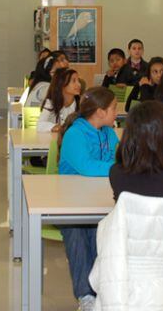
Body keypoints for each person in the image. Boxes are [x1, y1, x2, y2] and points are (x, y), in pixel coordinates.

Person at [57, 86, 119, 311]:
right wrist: (117, 167)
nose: (116, 113)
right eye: (113, 108)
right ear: (100, 112)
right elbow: (87, 167)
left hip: (100, 198)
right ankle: (86, 295)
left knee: (103, 230)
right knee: (76, 230)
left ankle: (101, 290)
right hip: (69, 203)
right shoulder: (75, 133)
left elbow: (120, 155)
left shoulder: (108, 132)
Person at [37, 68, 80, 133]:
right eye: (74, 81)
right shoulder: (51, 103)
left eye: (78, 80)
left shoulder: (82, 104)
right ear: (61, 84)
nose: (79, 84)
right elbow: (39, 125)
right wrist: (54, 127)